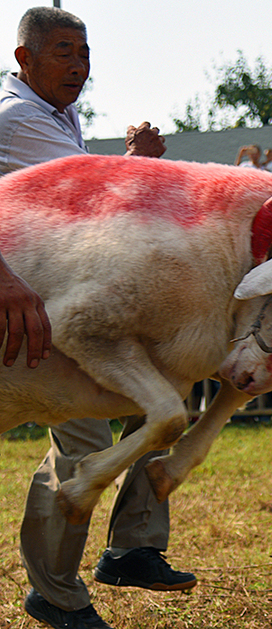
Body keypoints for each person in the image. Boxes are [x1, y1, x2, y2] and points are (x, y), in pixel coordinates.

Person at [0, 8, 194, 629]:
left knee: (161, 390)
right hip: (25, 309)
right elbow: (105, 195)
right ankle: (57, 595)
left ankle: (132, 546)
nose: (80, 66)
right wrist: (138, 160)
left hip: (51, 300)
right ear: (23, 58)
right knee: (83, 436)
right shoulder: (19, 118)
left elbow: (83, 191)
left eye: (85, 53)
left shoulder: (56, 113)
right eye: (63, 52)